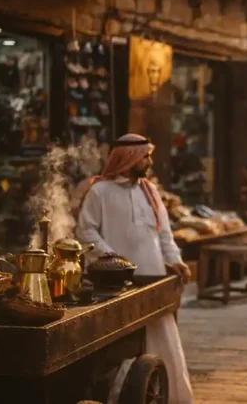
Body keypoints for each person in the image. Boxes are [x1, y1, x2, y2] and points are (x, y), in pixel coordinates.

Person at [76, 134, 194, 404]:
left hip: (154, 278)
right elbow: (86, 231)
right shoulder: (99, 191)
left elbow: (164, 235)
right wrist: (113, 261)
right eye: (145, 156)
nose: (149, 161)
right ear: (128, 159)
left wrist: (175, 260)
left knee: (162, 334)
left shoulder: (150, 191)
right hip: (117, 284)